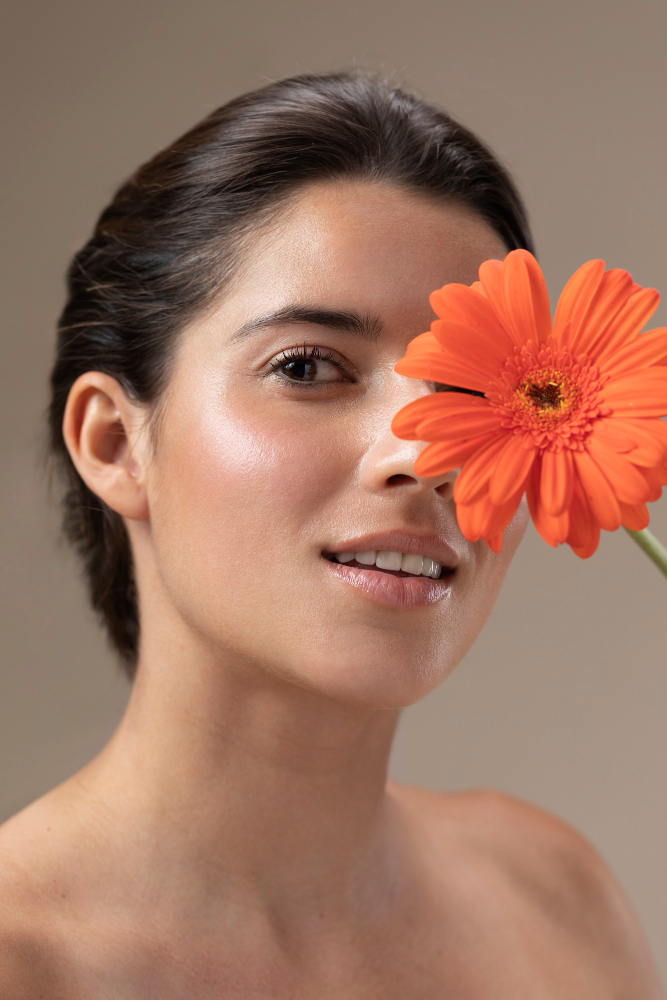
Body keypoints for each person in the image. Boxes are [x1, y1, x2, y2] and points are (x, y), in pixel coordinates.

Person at [0, 73, 662, 998]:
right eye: (308, 367)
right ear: (114, 443)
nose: (422, 452)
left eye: (473, 392)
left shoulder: (557, 899)